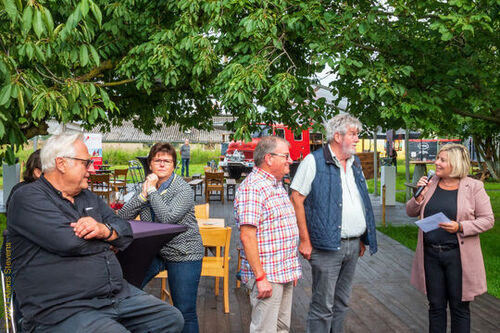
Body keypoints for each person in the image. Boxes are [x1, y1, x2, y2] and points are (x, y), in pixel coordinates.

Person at [7, 133, 184, 333]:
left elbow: (125, 230)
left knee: (170, 319)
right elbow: (69, 242)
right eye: (86, 163)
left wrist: (104, 230)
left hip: (114, 297)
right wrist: (109, 241)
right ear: (61, 163)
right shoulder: (28, 197)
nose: (92, 169)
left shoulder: (87, 197)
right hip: (62, 307)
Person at [290, 114, 378, 333]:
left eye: (357, 134)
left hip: (353, 244)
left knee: (341, 303)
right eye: (353, 134)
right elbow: (296, 198)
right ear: (338, 136)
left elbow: (361, 201)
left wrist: (361, 238)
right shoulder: (314, 161)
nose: (357, 138)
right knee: (323, 306)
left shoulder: (354, 162)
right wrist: (304, 240)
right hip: (325, 245)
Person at [406, 143, 494, 333]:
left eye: (442, 160)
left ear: (455, 163)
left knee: (459, 308)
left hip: (458, 257)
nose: (436, 162)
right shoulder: (431, 183)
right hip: (431, 256)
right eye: (437, 158)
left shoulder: (474, 187)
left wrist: (460, 226)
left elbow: (488, 220)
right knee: (435, 307)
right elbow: (410, 211)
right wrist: (418, 195)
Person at [118, 142, 204, 333]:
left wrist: (151, 191)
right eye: (158, 160)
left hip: (184, 253)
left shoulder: (183, 190)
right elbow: (122, 217)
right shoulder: (146, 186)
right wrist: (142, 195)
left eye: (167, 161)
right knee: (124, 288)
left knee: (185, 310)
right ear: (150, 164)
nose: (162, 164)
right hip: (155, 251)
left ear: (174, 165)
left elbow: (168, 219)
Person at [234, 136, 302, 333]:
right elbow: (247, 236)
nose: (290, 160)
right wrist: (260, 277)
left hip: (283, 272)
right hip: (268, 275)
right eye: (286, 156)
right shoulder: (253, 188)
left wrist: (291, 269)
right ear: (269, 159)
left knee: (281, 328)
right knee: (265, 329)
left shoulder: (276, 184)